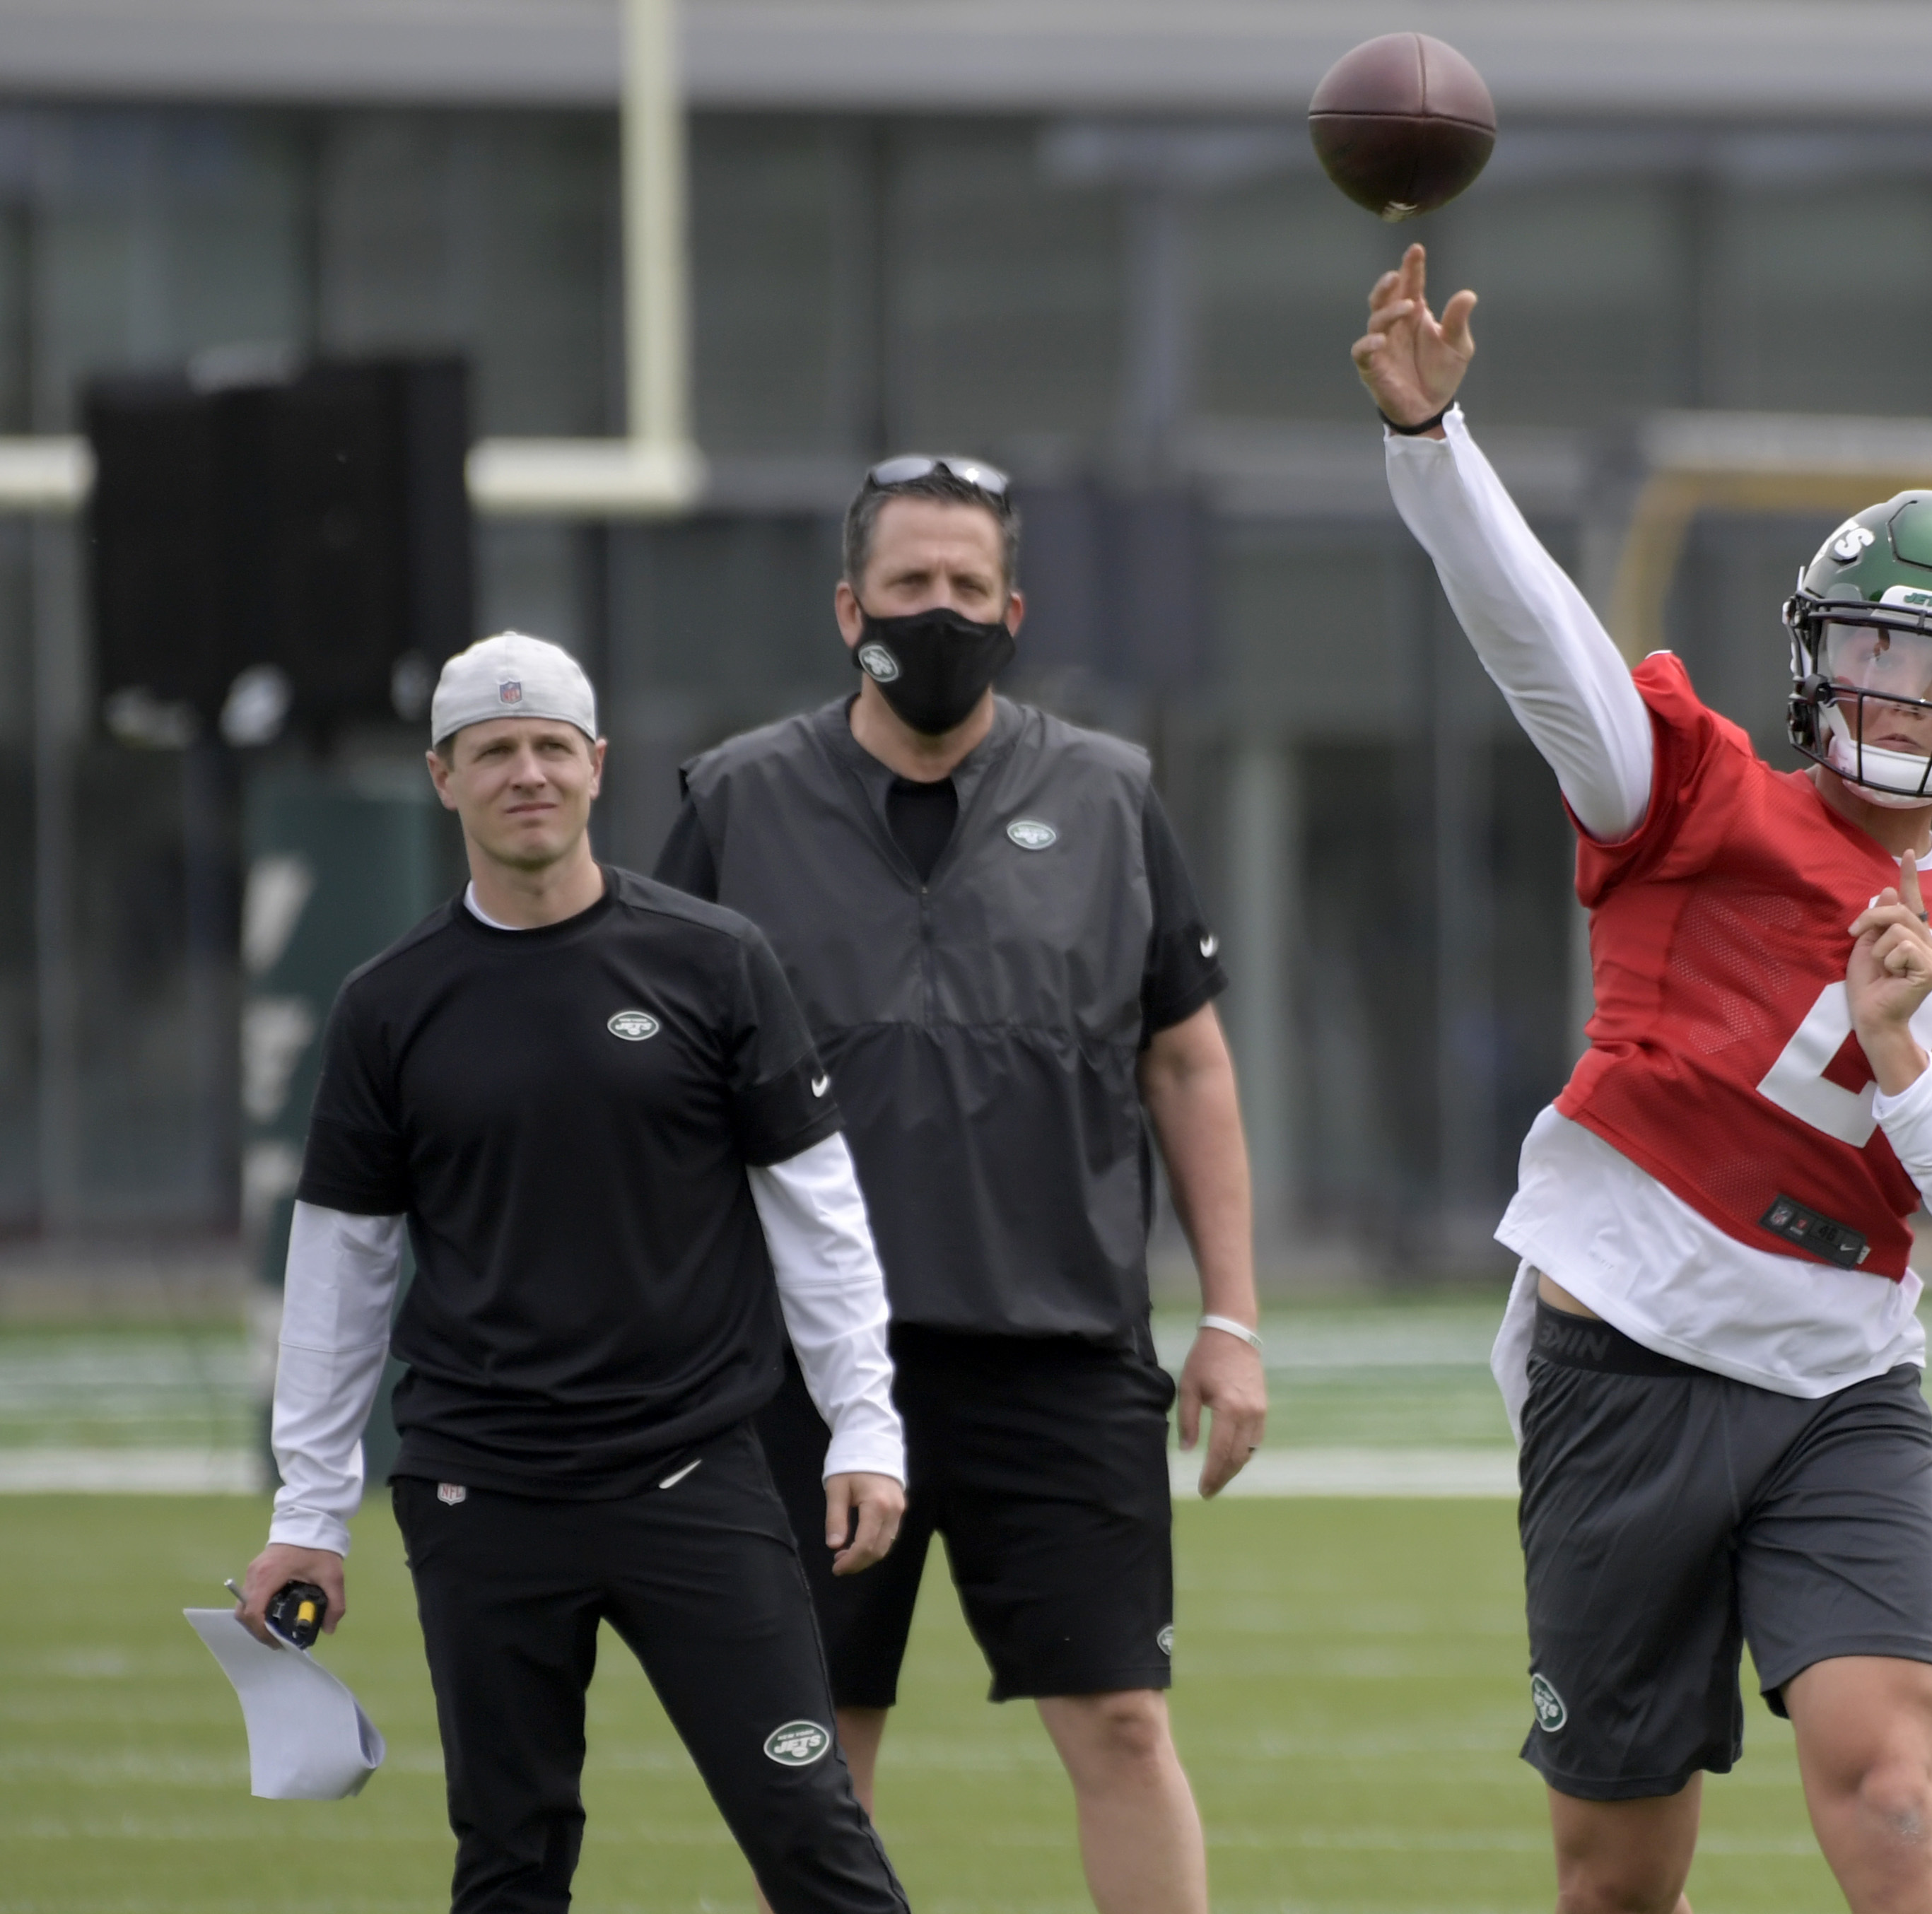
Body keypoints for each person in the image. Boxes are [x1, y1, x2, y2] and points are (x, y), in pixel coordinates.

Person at [1352, 245, 1932, 1914]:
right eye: (1880, 653)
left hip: (1840, 1393)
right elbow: (1545, 652)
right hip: (1626, 1363)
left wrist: (1902, 1053)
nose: (1908, 696)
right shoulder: (1699, 800)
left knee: (1895, 1805)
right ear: (1819, 657)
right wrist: (1434, 452)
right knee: (1617, 1873)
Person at [655, 455, 1265, 1914]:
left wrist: (1232, 1317)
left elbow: (1189, 1064)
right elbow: (665, 1090)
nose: (939, 612)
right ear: (848, 604)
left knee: (1123, 1724)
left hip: (1058, 1351)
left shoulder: (1111, 795)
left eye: (967, 588)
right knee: (818, 1745)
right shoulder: (736, 802)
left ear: (1014, 607)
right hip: (806, 1363)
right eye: (912, 585)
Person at [238, 632, 916, 1914]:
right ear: (445, 777)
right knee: (511, 1857)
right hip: (480, 1491)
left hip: (695, 1475)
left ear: (599, 767)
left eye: (552, 747)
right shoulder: (390, 1005)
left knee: (812, 1836)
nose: (527, 774)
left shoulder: (716, 962)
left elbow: (818, 1215)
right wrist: (307, 1517)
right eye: (494, 751)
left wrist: (863, 1424)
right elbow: (341, 1270)